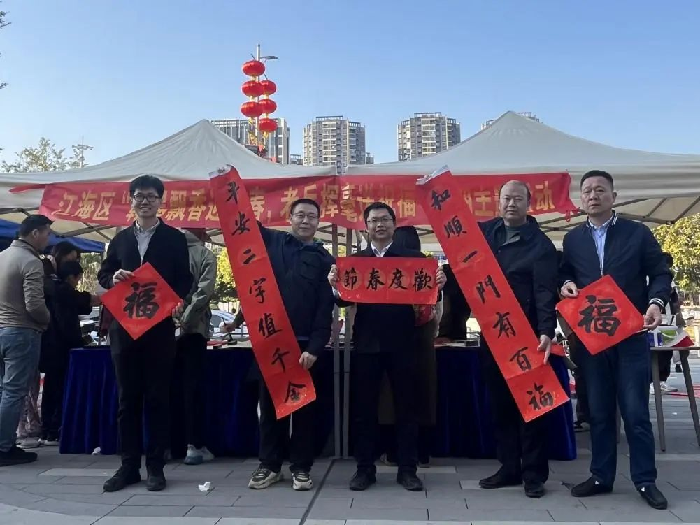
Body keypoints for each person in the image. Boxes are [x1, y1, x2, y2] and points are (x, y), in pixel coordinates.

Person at [560, 170, 671, 510]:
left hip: (632, 336)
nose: (593, 196)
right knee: (599, 412)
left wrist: (656, 303)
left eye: (600, 190)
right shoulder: (573, 239)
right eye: (587, 191)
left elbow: (660, 271)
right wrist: (566, 284)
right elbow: (565, 273)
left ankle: (645, 480)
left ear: (613, 196)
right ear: (581, 199)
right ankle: (601, 476)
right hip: (594, 339)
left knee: (635, 412)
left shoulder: (637, 233)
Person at [327, 202, 446, 492]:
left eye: (385, 220)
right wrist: (334, 284)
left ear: (394, 224)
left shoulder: (413, 259)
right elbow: (343, 300)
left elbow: (427, 298)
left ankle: (408, 470)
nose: (379, 225)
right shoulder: (356, 261)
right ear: (366, 226)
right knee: (364, 410)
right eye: (373, 220)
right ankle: (364, 470)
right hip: (366, 344)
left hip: (404, 343)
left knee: (407, 408)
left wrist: (438, 284)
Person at [231, 199, 334, 491]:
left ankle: (301, 468)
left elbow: (325, 309)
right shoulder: (273, 241)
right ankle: (270, 465)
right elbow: (245, 224)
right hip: (271, 343)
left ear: (318, 222)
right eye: (300, 215)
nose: (305, 221)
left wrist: (315, 348)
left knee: (304, 412)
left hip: (304, 349)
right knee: (271, 409)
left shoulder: (326, 260)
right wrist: (230, 190)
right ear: (290, 218)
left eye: (311, 216)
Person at [98, 175, 192, 492]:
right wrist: (114, 277)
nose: (145, 201)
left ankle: (155, 466)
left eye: (151, 196)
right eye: (139, 196)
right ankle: (128, 466)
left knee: (157, 398)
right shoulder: (120, 239)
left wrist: (176, 300)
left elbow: (185, 279)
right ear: (131, 200)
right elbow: (104, 274)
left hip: (159, 328)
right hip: (124, 329)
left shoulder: (174, 239)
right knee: (127, 399)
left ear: (161, 201)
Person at [474, 181, 558, 498]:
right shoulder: (485, 233)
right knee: (500, 405)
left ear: (528, 203)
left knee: (531, 405)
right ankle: (509, 467)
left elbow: (544, 292)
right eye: (506, 198)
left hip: (526, 334)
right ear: (498, 202)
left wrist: (546, 331)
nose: (511, 204)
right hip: (493, 332)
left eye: (518, 199)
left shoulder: (541, 245)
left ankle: (533, 474)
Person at [378, 225, 439, 467]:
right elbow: (437, 311)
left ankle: (393, 451)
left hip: (392, 339)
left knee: (391, 396)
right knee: (422, 393)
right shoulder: (428, 269)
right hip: (423, 341)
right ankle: (422, 452)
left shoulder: (387, 270)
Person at [0, 215, 52, 466]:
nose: (48, 240)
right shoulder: (31, 262)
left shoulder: (2, 256)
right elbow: (34, 304)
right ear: (35, 233)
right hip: (21, 331)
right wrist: (46, 320)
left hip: (1, 328)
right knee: (14, 391)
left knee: (3, 390)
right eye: (47, 234)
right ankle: (4, 446)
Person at [40, 260, 97, 445]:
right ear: (72, 277)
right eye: (78, 279)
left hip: (50, 345)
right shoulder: (64, 292)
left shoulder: (53, 289)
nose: (78, 283)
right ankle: (55, 430)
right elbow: (71, 318)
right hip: (63, 347)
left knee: (50, 388)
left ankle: (47, 430)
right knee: (60, 389)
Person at [174, 228, 217, 466]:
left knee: (167, 386)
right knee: (193, 388)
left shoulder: (164, 248)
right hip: (194, 330)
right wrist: (186, 320)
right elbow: (204, 292)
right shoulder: (205, 255)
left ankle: (168, 445)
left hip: (163, 329)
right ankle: (193, 445)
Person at [651, 252, 683, 394]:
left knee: (667, 352)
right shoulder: (653, 279)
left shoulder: (669, 280)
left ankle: (662, 380)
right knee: (657, 353)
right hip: (658, 321)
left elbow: (674, 301)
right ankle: (653, 382)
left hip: (669, 320)